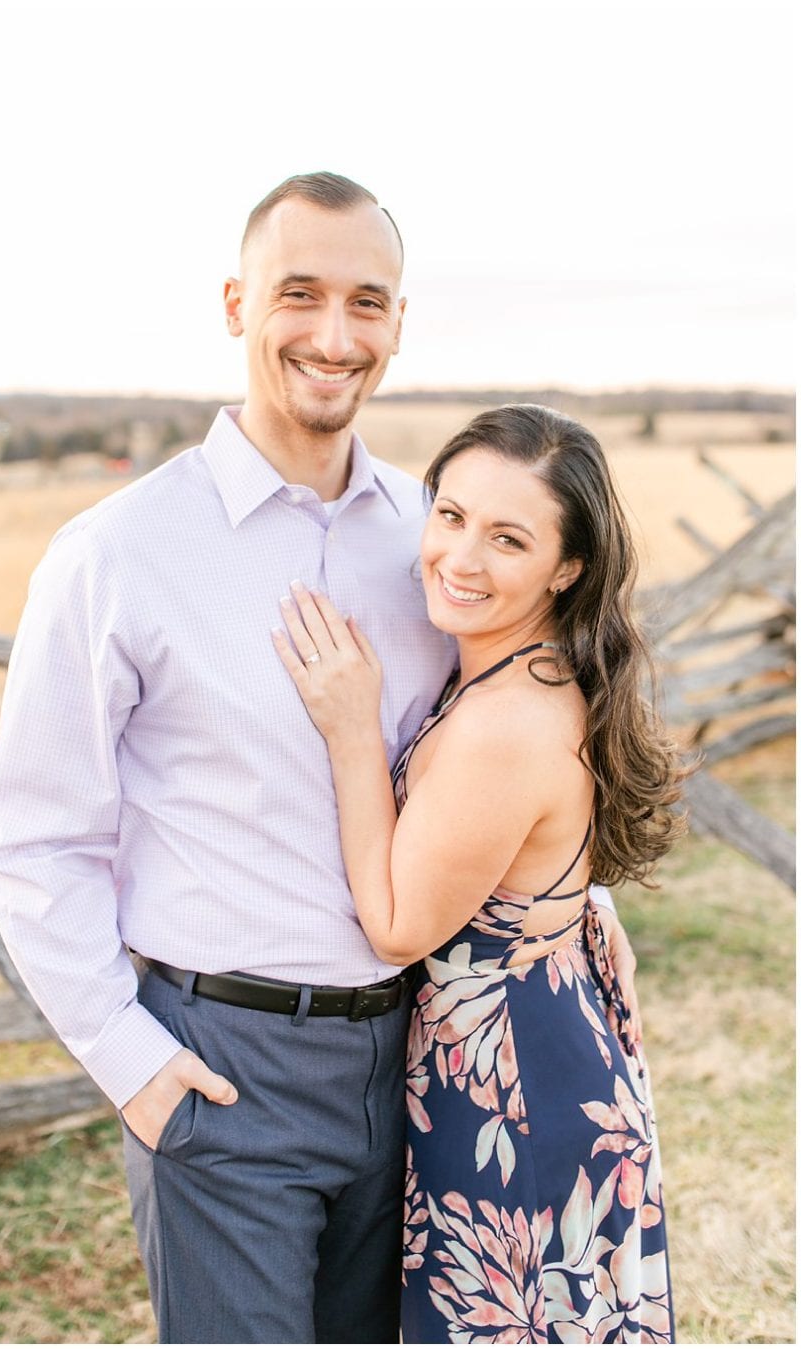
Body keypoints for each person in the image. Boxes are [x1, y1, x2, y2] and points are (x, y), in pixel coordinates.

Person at [0, 173, 643, 1342]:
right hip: (223, 1062)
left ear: (396, 322)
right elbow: (35, 837)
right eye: (300, 294)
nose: (335, 337)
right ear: (238, 304)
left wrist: (565, 897)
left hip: (418, 1057)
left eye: (367, 302)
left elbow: (495, 746)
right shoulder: (118, 553)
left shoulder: (430, 537)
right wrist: (129, 1059)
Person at [271, 403, 680, 1342]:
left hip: (514, 1084)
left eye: (508, 538)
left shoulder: (505, 720)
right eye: (449, 516)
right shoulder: (513, 671)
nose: (460, 557)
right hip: (519, 1048)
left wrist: (349, 727)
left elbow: (398, 923)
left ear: (565, 567)